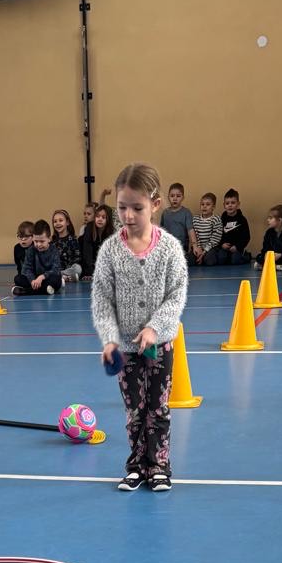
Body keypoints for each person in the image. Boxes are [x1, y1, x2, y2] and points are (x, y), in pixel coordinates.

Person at [91, 162, 189, 494]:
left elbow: (176, 295)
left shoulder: (170, 249)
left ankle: (159, 465)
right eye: (122, 208)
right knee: (135, 411)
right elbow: (102, 300)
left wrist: (155, 328)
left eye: (137, 208)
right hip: (126, 350)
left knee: (157, 408)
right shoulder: (109, 251)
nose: (128, 215)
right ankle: (136, 466)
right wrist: (109, 340)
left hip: (160, 346)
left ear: (155, 204)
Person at [13, 218, 62, 296]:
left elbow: (56, 269)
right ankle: (45, 289)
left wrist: (42, 277)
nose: (38, 244)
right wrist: (32, 280)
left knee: (57, 280)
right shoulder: (31, 250)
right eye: (36, 241)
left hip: (47, 278)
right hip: (35, 279)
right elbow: (26, 269)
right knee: (18, 279)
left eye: (42, 241)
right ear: (33, 238)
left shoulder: (54, 250)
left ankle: (26, 291)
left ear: (49, 239)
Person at [253, 204, 282, 272]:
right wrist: (266, 254)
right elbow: (265, 247)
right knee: (259, 257)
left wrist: (281, 254)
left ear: (279, 220)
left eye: (270, 218)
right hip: (271, 256)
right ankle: (276, 266)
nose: (268, 220)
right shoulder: (269, 232)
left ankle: (277, 266)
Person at [217, 189, 250, 266]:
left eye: (233, 203)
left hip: (237, 248)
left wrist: (237, 247)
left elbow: (246, 237)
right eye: (227, 203)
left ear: (238, 204)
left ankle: (246, 255)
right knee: (220, 259)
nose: (230, 205)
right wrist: (222, 244)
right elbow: (218, 234)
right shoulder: (222, 219)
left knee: (235, 260)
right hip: (225, 247)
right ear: (224, 205)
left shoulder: (242, 220)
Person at [159, 182, 194, 256]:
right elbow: (161, 231)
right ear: (168, 197)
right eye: (172, 196)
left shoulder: (186, 212)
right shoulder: (165, 213)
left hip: (182, 247)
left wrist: (194, 245)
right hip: (167, 247)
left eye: (178, 196)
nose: (175, 198)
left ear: (183, 197)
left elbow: (190, 230)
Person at [80, 203, 112, 278]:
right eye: (97, 216)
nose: (100, 219)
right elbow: (87, 254)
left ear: (108, 219)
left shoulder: (110, 232)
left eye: (103, 217)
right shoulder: (89, 228)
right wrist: (90, 273)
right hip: (87, 264)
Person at [190, 193, 222, 267]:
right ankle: (200, 258)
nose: (204, 206)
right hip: (199, 247)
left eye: (208, 204)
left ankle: (204, 258)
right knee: (190, 261)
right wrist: (198, 248)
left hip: (211, 247)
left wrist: (204, 252)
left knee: (209, 261)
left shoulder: (216, 219)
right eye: (202, 204)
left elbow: (215, 239)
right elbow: (195, 235)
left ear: (213, 207)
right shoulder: (195, 219)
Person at [51, 209, 82, 283]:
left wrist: (68, 269)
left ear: (67, 222)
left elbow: (77, 257)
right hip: (56, 269)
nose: (58, 223)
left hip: (70, 269)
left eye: (60, 220)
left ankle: (62, 276)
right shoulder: (52, 242)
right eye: (55, 221)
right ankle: (66, 278)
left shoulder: (73, 240)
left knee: (78, 268)